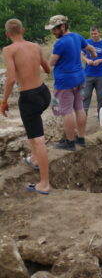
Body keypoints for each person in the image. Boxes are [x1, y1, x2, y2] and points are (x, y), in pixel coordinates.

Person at [1, 19, 52, 194]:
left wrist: (4, 101)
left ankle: (44, 183)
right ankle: (35, 159)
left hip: (29, 97)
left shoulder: (8, 50)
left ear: (8, 34)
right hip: (44, 94)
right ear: (23, 30)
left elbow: (11, 79)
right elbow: (47, 69)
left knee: (38, 139)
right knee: (32, 127)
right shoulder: (35, 46)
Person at [46, 15, 96, 151]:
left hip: (65, 82)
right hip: (80, 78)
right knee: (79, 107)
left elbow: (52, 63)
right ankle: (81, 137)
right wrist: (93, 56)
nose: (53, 32)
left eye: (54, 29)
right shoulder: (77, 36)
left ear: (63, 26)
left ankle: (69, 142)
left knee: (66, 111)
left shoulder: (60, 43)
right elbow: (90, 48)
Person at [81, 26, 102, 116]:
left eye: (95, 33)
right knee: (85, 96)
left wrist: (100, 60)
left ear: (99, 33)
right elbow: (82, 54)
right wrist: (87, 60)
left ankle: (101, 116)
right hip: (88, 74)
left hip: (101, 75)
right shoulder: (87, 42)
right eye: (91, 34)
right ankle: (83, 117)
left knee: (101, 97)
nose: (93, 35)